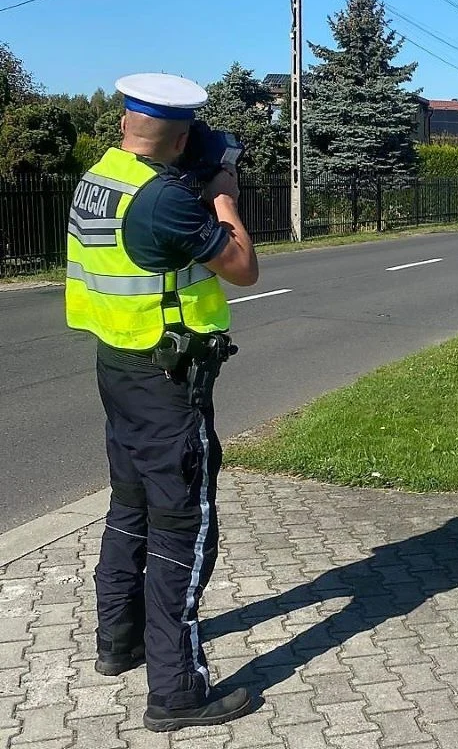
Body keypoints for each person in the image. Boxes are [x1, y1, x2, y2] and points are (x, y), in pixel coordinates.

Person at [65, 72, 259, 732]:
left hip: (118, 368)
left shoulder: (101, 179)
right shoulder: (162, 202)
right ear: (180, 140)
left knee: (129, 510)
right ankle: (177, 692)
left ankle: (117, 643)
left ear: (127, 124)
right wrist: (225, 196)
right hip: (168, 383)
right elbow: (241, 265)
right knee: (184, 531)